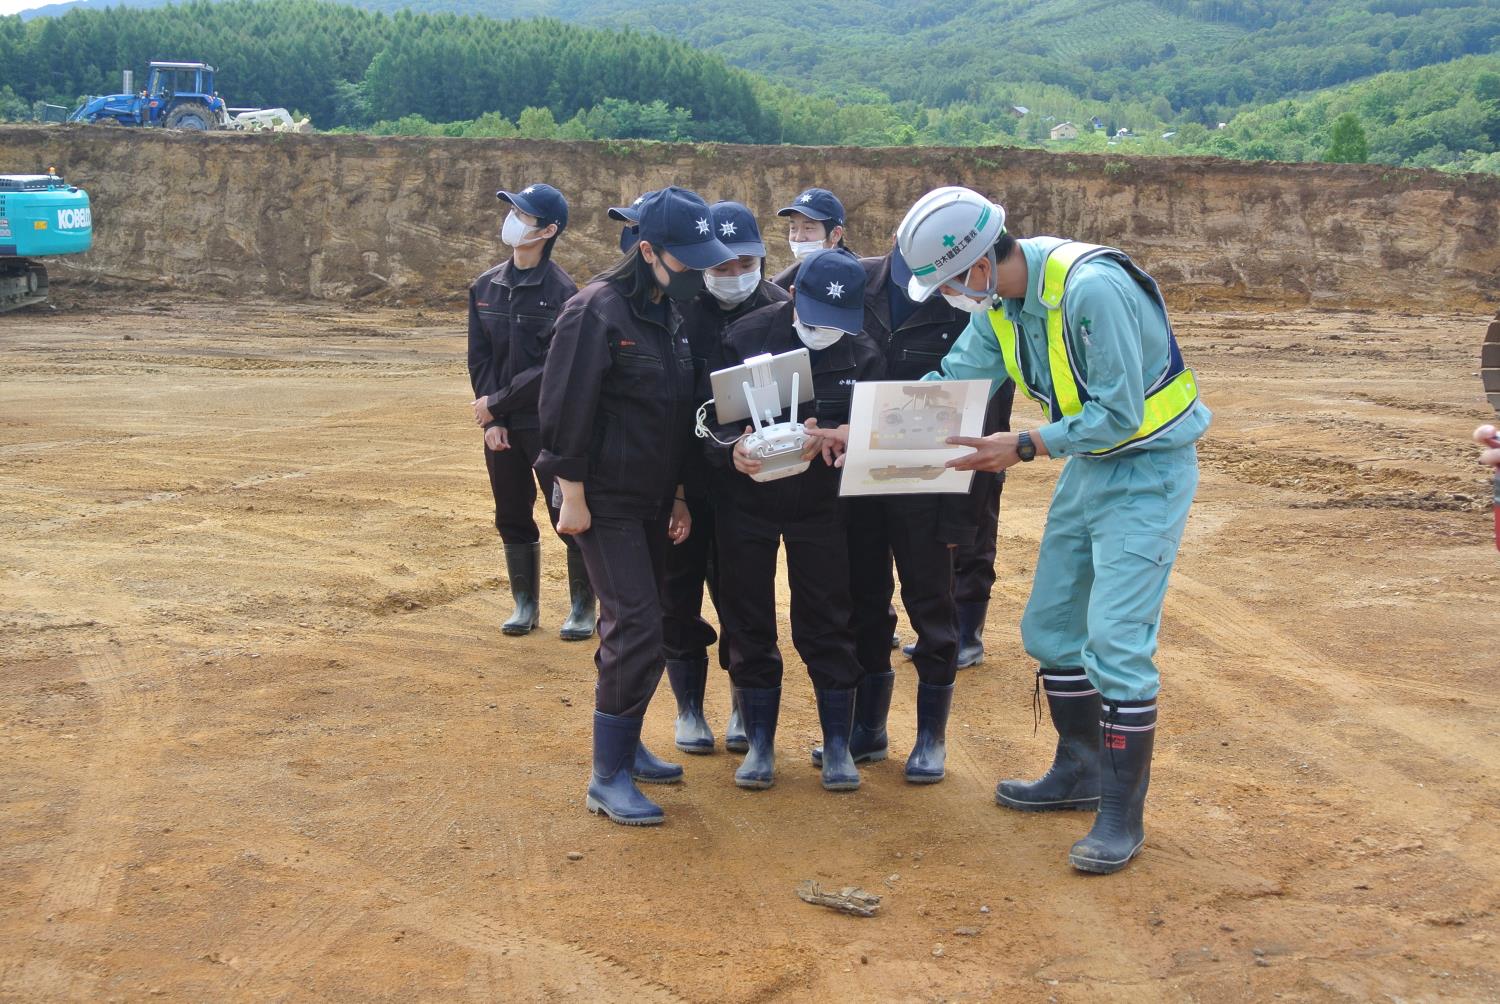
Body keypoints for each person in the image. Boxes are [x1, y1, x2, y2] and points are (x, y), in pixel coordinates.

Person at [810, 186, 1209, 872]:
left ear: (977, 264)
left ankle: (1120, 817)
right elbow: (946, 383)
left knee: (1114, 639)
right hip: (1092, 470)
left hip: (1148, 468)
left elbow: (1120, 413)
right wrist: (865, 434)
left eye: (947, 283)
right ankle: (1079, 769)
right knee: (1051, 630)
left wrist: (1020, 445)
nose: (947, 297)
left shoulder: (1093, 290)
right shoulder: (1001, 306)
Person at [537, 186, 735, 826]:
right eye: (688, 262)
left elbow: (675, 412)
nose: (697, 275)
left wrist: (677, 494)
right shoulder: (596, 311)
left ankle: (626, 745)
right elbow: (563, 410)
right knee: (638, 626)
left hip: (651, 495)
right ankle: (607, 775)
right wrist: (573, 497)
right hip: (598, 498)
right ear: (647, 250)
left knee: (634, 628)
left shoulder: (665, 312)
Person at [808, 241, 1012, 785]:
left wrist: (974, 497)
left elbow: (988, 403)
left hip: (933, 481)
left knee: (932, 605)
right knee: (862, 605)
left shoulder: (968, 300)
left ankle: (930, 738)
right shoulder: (852, 284)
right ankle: (868, 729)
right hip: (856, 476)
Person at [707, 248, 883, 791]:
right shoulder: (747, 336)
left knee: (828, 615)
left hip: (823, 507)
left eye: (838, 321)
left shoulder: (866, 353)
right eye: (813, 317)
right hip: (747, 504)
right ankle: (759, 744)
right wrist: (730, 451)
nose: (824, 329)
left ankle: (837, 745)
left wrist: (838, 437)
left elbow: (875, 431)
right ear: (792, 296)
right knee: (747, 615)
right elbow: (707, 421)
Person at [660, 201, 789, 755]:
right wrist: (675, 491)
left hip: (750, 484)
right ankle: (690, 707)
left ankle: (743, 702)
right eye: (721, 267)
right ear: (701, 265)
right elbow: (665, 406)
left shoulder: (784, 311)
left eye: (746, 263)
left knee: (746, 599)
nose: (735, 276)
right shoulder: (676, 311)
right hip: (686, 482)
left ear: (762, 257)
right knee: (677, 595)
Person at [467, 183, 591, 640]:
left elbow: (551, 369)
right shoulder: (485, 287)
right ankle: (525, 604)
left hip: (547, 424)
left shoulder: (564, 294)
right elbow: (480, 359)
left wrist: (497, 404)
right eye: (512, 210)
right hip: (502, 428)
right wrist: (493, 419)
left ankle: (583, 606)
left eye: (523, 214)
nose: (512, 219)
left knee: (566, 515)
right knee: (511, 513)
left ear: (549, 230)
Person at [771, 188, 851, 291]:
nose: (798, 238)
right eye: (793, 228)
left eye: (808, 228)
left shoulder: (863, 279)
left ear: (835, 234)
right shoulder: (781, 284)